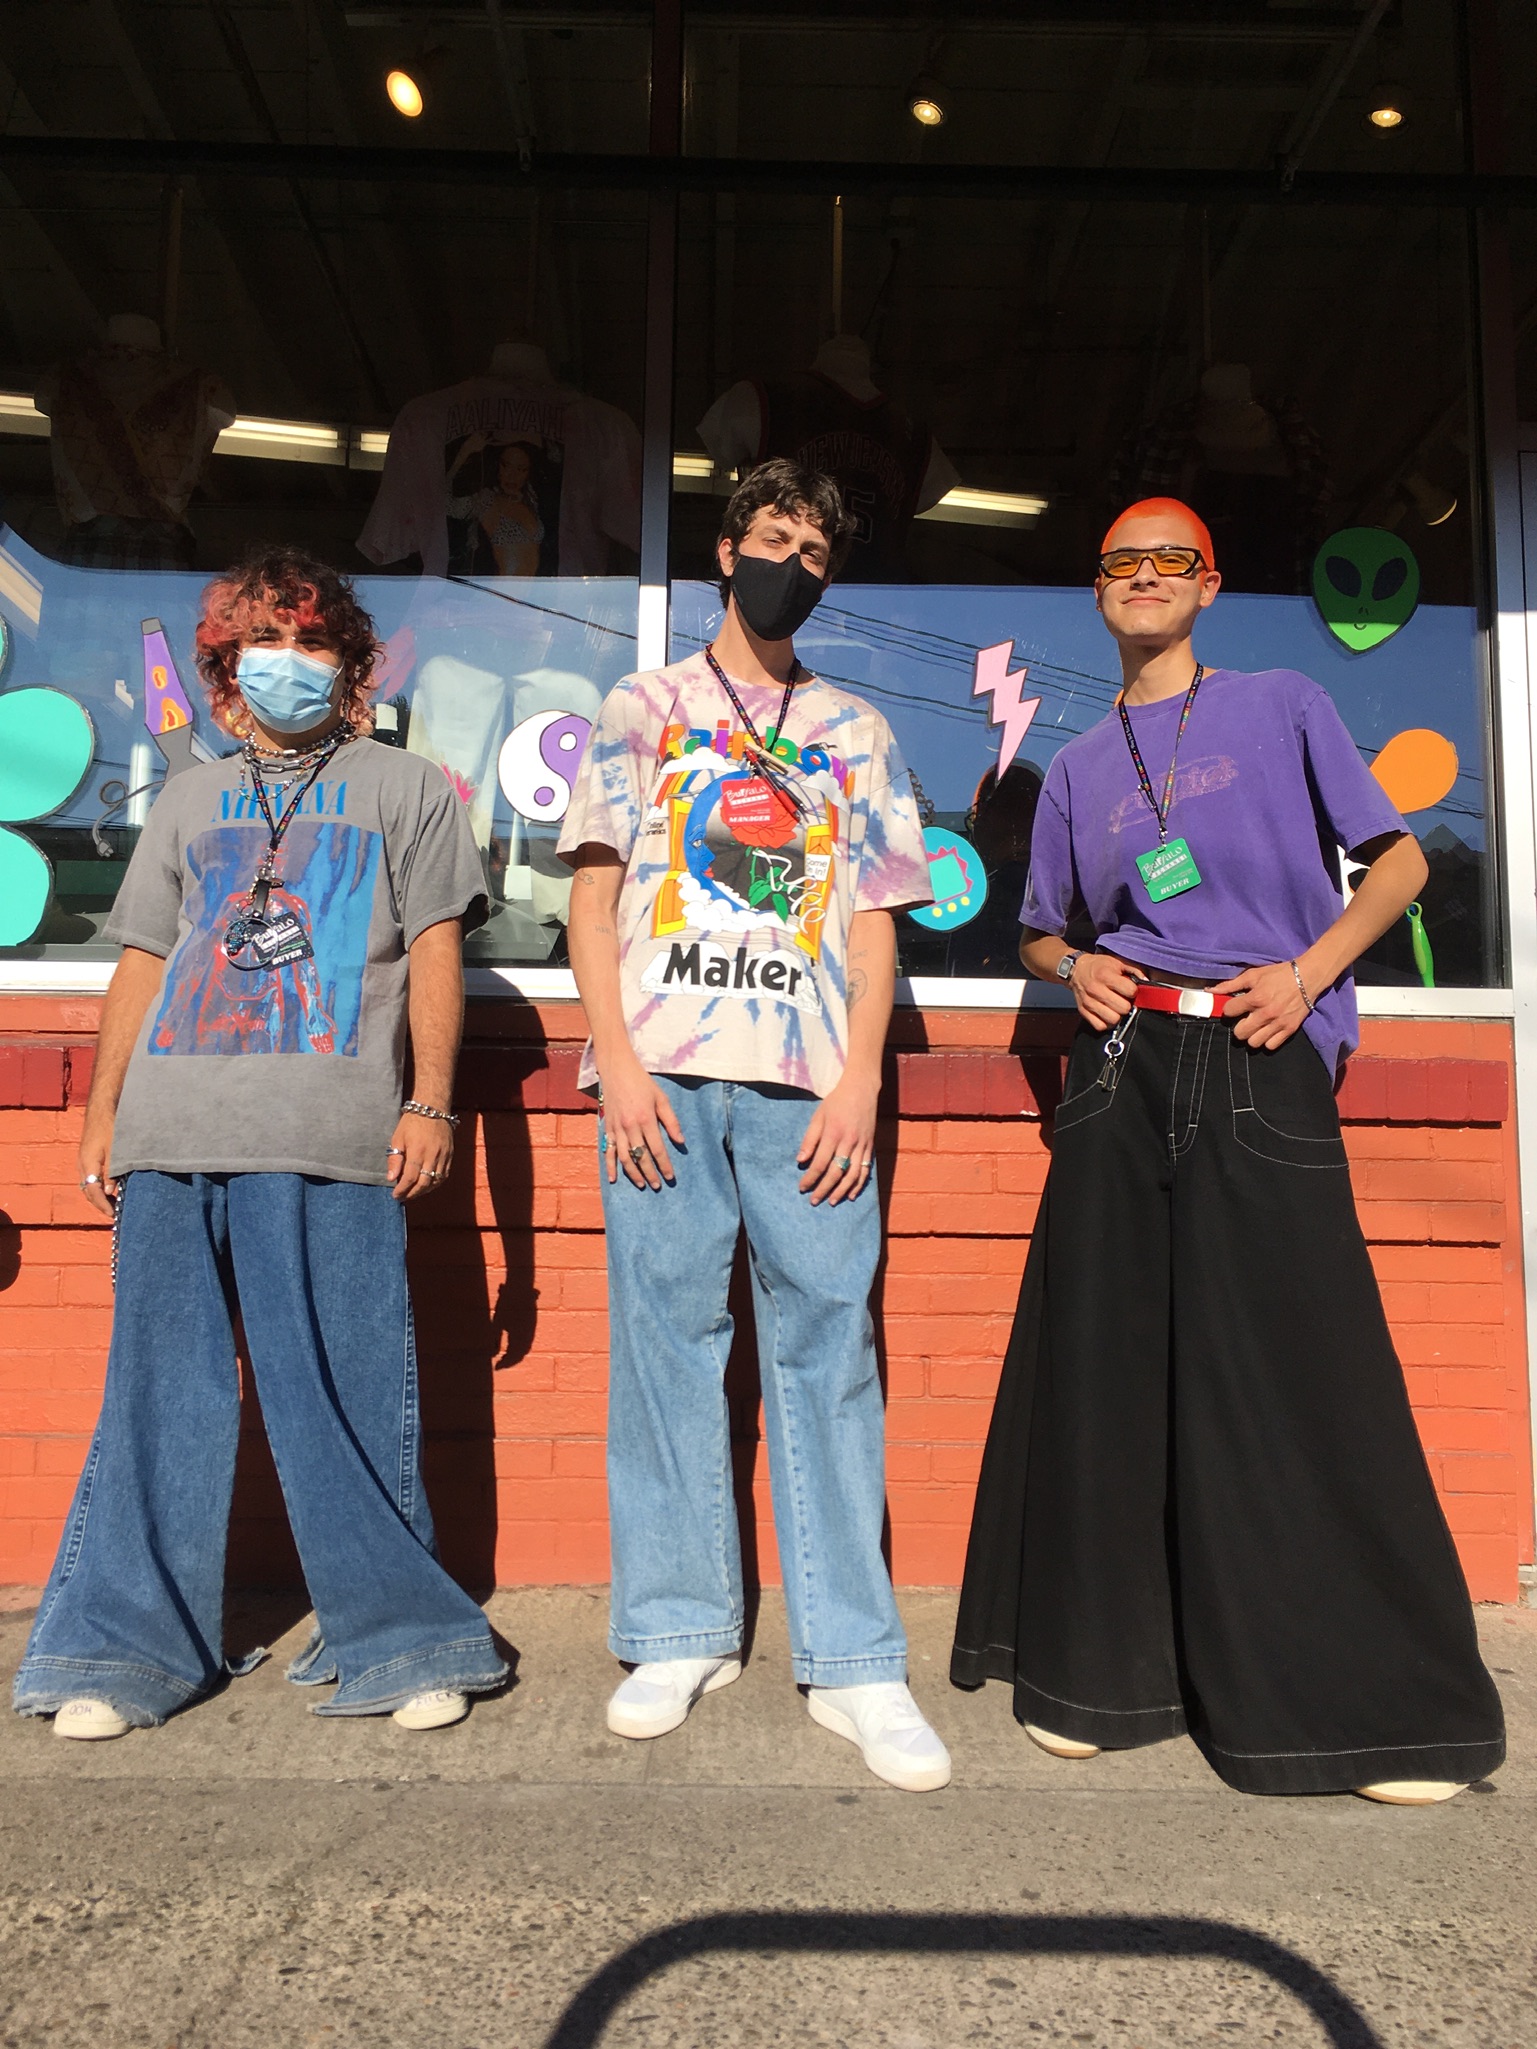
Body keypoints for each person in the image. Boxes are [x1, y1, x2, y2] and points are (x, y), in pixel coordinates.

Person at [950, 497, 1505, 1803]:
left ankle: (1374, 1711)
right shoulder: (1080, 768)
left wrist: (1306, 976)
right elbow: (1040, 931)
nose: (1142, 578)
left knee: (1305, 1375)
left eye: (1167, 561)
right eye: (1118, 564)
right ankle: (1103, 1677)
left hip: (1265, 1053)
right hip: (1124, 1064)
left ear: (1206, 584)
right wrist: (1071, 963)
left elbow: (1400, 866)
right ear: (1099, 593)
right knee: (1111, 1371)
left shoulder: (1284, 705)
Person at [12, 547, 508, 1740]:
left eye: (309, 640)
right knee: (159, 1401)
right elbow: (141, 959)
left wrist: (429, 1103)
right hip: (174, 1131)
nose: (286, 663)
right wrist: (101, 1118)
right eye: (259, 643)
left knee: (338, 1399)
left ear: (346, 660)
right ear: (226, 669)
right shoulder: (184, 795)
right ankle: (119, 1653)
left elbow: (436, 948)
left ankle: (399, 1640)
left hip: (334, 1140)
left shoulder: (408, 787)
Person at [558, 458, 951, 1792]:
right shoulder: (644, 704)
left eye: (817, 548)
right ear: (726, 550)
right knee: (665, 1350)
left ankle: (854, 1659)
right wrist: (612, 1060)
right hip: (662, 1076)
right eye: (773, 535)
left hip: (807, 1087)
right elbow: (593, 896)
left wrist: (862, 1080)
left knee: (829, 1355)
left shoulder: (855, 729)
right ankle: (677, 1629)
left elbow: (875, 913)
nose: (794, 557)